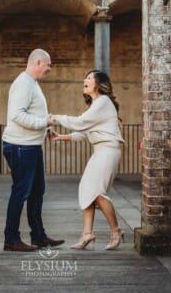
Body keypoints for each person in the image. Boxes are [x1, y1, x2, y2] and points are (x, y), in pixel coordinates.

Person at [50, 70, 124, 250]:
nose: (85, 80)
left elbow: (80, 122)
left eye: (89, 78)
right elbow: (82, 133)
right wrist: (61, 137)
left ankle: (116, 231)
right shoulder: (96, 106)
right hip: (100, 151)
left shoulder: (103, 102)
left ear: (98, 84)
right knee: (86, 190)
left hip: (108, 150)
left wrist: (54, 118)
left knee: (97, 193)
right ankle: (87, 234)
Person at [2, 49, 65, 252]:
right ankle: (11, 239)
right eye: (48, 66)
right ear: (38, 62)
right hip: (20, 147)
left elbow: (32, 114)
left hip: (31, 146)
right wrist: (44, 121)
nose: (48, 70)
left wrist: (46, 127)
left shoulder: (32, 84)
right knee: (21, 192)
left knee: (37, 191)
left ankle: (39, 236)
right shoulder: (23, 83)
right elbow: (17, 116)